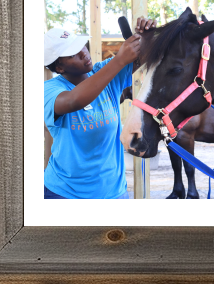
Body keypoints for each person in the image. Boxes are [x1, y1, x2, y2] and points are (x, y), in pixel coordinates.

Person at [44, 18, 156, 199]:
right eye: (73, 54)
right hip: (65, 194)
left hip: (114, 193)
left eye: (81, 46)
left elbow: (144, 56)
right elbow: (73, 100)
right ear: (59, 67)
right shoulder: (49, 90)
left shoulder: (105, 73)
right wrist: (119, 60)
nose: (83, 53)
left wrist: (147, 38)